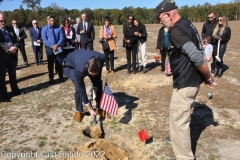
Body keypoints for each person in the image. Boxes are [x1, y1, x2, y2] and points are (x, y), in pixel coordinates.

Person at [152, 0, 217, 159]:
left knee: (179, 120)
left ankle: (184, 156)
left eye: (159, 18)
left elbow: (197, 56)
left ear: (168, 14)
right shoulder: (187, 23)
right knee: (179, 117)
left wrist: (208, 77)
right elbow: (199, 50)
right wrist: (204, 76)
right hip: (191, 80)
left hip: (186, 82)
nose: (159, 21)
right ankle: (176, 140)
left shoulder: (176, 31)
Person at [63, 49, 111, 122]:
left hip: (85, 61)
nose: (93, 76)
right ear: (87, 66)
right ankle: (78, 110)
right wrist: (89, 108)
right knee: (78, 88)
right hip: (70, 66)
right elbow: (81, 88)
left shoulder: (101, 58)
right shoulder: (80, 69)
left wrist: (95, 86)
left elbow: (97, 75)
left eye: (94, 74)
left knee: (99, 83)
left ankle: (99, 108)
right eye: (91, 74)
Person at [0, 13, 25, 100]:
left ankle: (15, 90)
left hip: (12, 54)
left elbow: (16, 40)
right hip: (2, 56)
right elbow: (1, 43)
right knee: (2, 76)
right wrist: (9, 48)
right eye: (1, 21)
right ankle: (3, 94)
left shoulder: (10, 29)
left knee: (13, 74)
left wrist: (15, 47)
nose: (3, 22)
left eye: (4, 21)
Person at [41, 15, 65, 84]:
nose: (53, 22)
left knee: (59, 63)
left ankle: (61, 77)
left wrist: (57, 45)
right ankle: (51, 78)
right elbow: (44, 39)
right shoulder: (44, 29)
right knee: (50, 64)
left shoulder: (59, 28)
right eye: (51, 20)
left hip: (58, 48)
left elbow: (62, 38)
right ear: (48, 21)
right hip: (50, 49)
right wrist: (51, 46)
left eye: (54, 20)